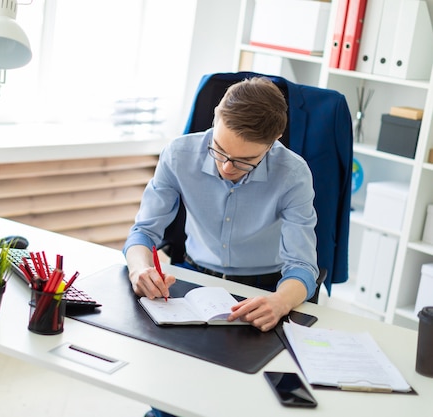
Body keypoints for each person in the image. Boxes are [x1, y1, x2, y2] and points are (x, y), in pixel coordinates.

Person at [124, 77, 319, 417]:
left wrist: (280, 300)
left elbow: (303, 268)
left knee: (246, 399)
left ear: (272, 143)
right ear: (216, 117)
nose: (227, 167)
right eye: (220, 150)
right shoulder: (179, 154)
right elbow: (143, 232)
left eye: (245, 160)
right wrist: (140, 267)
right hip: (193, 279)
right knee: (170, 396)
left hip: (263, 289)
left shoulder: (293, 174)